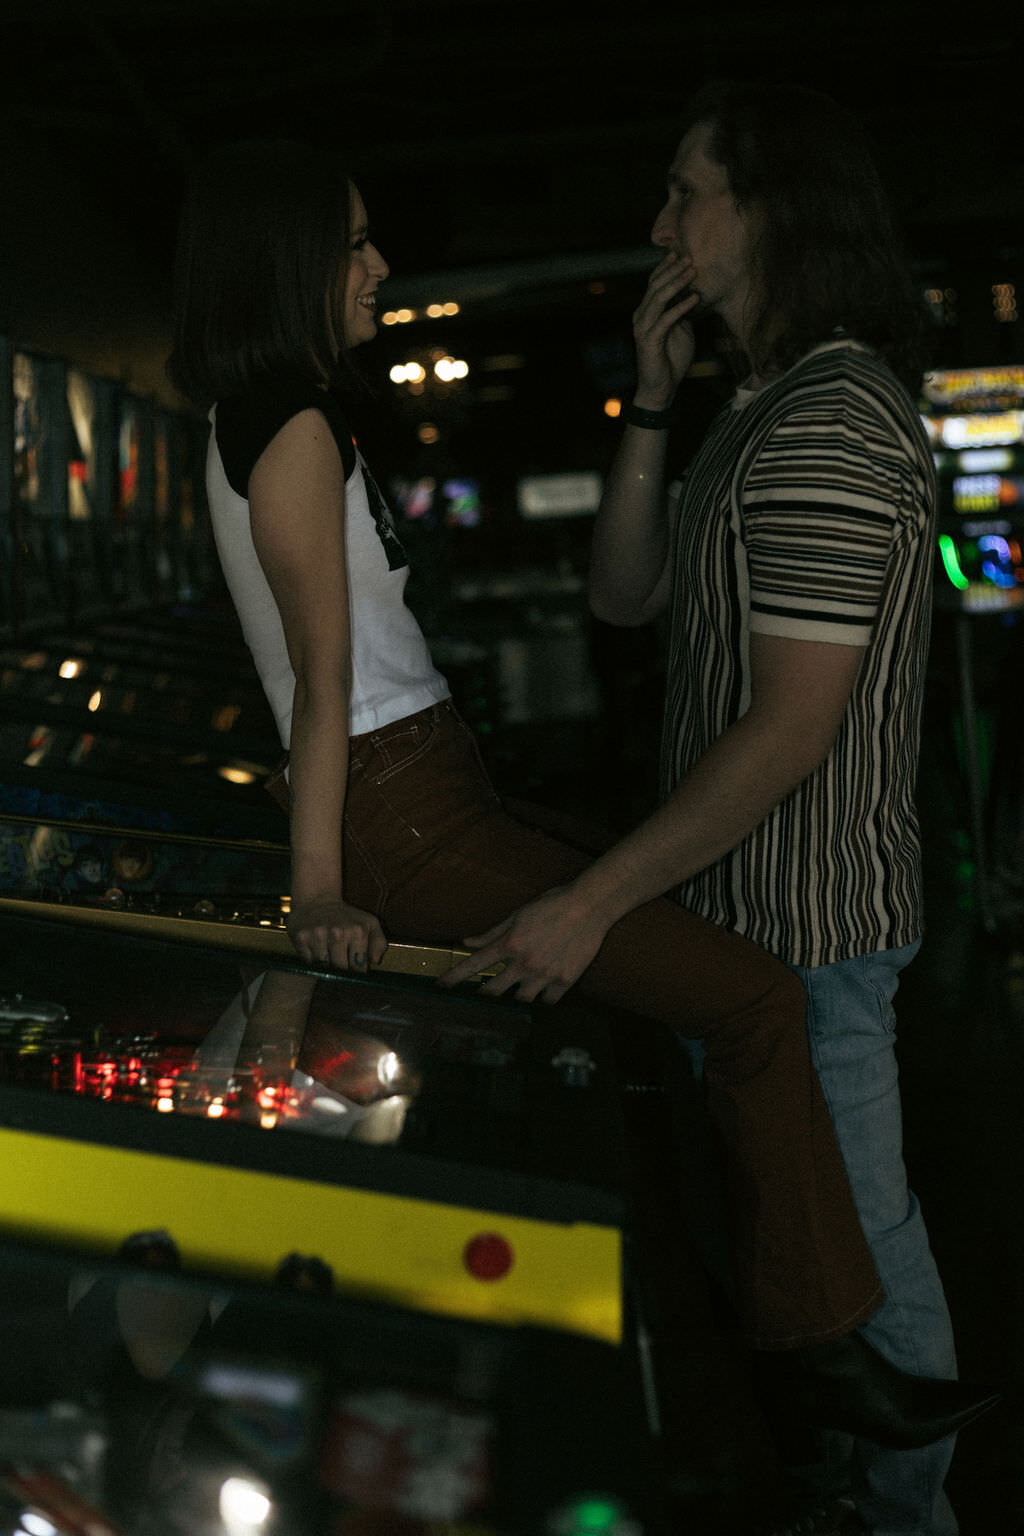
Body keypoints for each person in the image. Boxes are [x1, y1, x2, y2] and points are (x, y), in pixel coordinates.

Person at [166, 138, 993, 1463]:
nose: (380, 269)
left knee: (672, 951)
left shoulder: (266, 417)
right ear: (289, 261)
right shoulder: (295, 425)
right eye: (358, 245)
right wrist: (312, 893)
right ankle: (821, 1358)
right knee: (755, 996)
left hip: (419, 787)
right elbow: (319, 686)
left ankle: (769, 1345)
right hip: (401, 801)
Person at [543, 78, 966, 1536]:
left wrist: (594, 900)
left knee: (857, 1242)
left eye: (684, 192)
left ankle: (916, 1516)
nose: (659, 223)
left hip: (815, 929)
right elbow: (622, 594)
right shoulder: (765, 403)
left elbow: (792, 730)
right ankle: (857, 1493)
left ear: (768, 209)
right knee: (808, 1248)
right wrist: (651, 399)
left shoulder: (836, 416)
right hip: (750, 923)